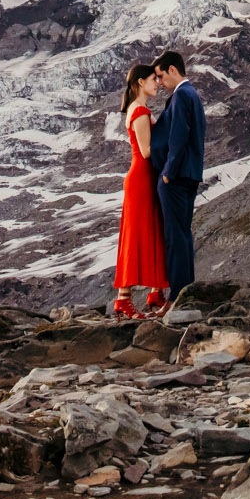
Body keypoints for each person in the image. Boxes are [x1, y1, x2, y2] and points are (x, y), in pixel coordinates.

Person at [110, 61, 167, 318]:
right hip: (142, 178)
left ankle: (155, 292)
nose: (157, 83)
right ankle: (124, 298)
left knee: (149, 231)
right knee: (137, 235)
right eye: (153, 79)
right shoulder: (140, 110)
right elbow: (146, 151)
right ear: (140, 82)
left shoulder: (137, 108)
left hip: (142, 178)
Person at [153, 49, 204, 298]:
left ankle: (176, 294)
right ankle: (187, 290)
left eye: (161, 76)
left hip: (176, 175)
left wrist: (168, 172)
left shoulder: (181, 95)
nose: (160, 83)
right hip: (190, 174)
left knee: (174, 235)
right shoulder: (191, 94)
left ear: (173, 70)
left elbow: (179, 135)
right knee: (183, 232)